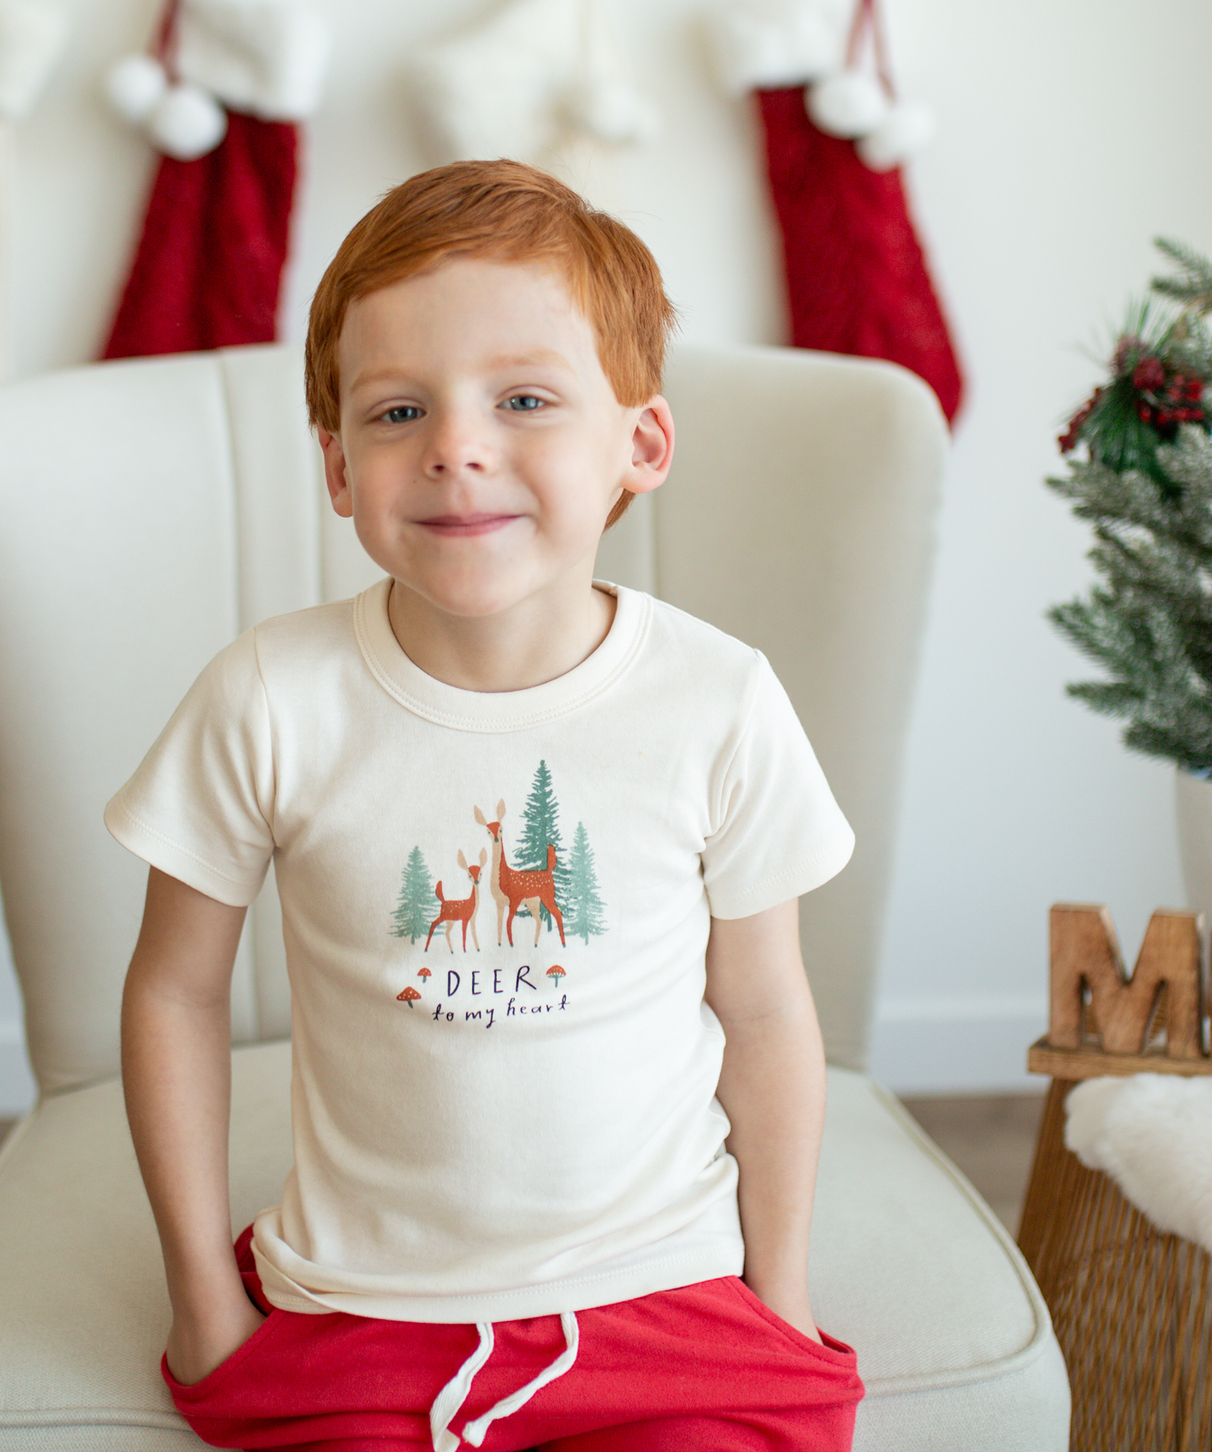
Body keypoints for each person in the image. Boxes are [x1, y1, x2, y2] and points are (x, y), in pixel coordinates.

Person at [107, 158, 864, 1452]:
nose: (455, 447)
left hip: (663, 1295)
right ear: (338, 467)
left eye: (524, 399)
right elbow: (174, 992)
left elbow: (764, 1009)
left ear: (641, 444)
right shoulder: (270, 698)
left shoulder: (720, 701)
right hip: (358, 1309)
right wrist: (201, 1303)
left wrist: (778, 1293)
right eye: (398, 411)